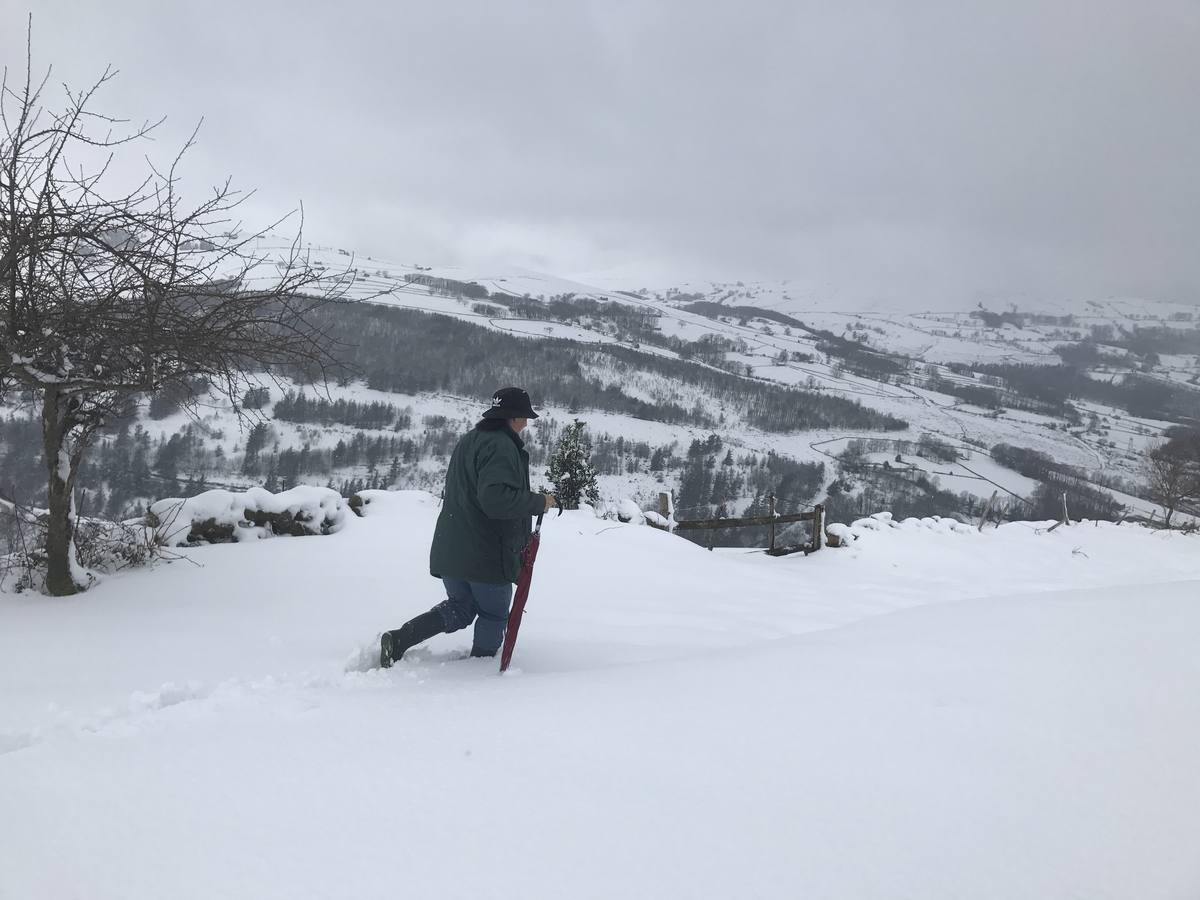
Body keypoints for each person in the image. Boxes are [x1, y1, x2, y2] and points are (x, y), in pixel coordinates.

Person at [380, 386, 556, 667]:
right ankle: (478, 671)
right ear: (512, 417)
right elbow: (495, 500)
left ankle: (400, 639)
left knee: (460, 608)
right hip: (485, 553)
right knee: (493, 614)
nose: (527, 423)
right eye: (524, 416)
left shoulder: (470, 440)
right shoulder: (501, 446)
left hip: (452, 548)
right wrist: (538, 502)